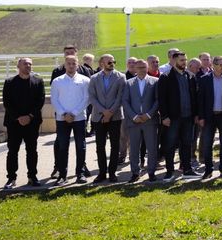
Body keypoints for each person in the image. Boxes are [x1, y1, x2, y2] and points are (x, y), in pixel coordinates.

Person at [1, 57, 45, 188]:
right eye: (25, 64)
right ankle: (11, 178)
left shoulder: (38, 81)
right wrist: (19, 117)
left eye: (30, 64)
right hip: (14, 122)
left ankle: (32, 177)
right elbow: (7, 102)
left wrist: (29, 116)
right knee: (12, 151)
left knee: (32, 151)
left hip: (32, 122)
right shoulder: (9, 82)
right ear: (18, 66)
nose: (28, 66)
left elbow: (40, 101)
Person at [156, 51, 200, 180]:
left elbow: (195, 97)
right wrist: (164, 116)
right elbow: (161, 99)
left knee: (187, 144)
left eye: (185, 60)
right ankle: (170, 171)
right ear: (174, 61)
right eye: (182, 60)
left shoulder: (190, 76)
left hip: (188, 117)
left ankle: (187, 170)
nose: (184, 63)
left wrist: (196, 114)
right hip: (172, 118)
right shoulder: (166, 77)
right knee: (170, 145)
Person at [50, 55, 91, 184]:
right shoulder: (57, 81)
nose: (71, 65)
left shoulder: (85, 80)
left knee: (81, 146)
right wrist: (64, 114)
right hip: (62, 119)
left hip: (79, 118)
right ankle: (62, 175)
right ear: (65, 65)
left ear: (78, 65)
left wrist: (74, 113)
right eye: (69, 63)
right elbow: (54, 99)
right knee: (62, 147)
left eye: (74, 63)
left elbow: (87, 99)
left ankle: (80, 173)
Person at [88, 54, 127, 182]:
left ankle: (112, 173)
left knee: (115, 146)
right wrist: (103, 112)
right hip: (98, 117)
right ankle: (102, 173)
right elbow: (92, 97)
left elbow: (120, 97)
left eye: (113, 61)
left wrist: (110, 113)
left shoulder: (121, 77)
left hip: (115, 117)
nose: (112, 64)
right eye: (109, 62)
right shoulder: (94, 78)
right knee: (100, 146)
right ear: (101, 64)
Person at [197, 56, 222, 179]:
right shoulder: (204, 79)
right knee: (207, 144)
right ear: (213, 65)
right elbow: (200, 100)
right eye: (221, 64)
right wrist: (201, 117)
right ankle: (208, 170)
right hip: (209, 117)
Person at [122, 59, 160, 182]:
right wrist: (134, 116)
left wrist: (148, 115)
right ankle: (135, 173)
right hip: (134, 121)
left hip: (150, 121)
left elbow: (157, 100)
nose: (142, 70)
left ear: (147, 68)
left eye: (144, 67)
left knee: (152, 148)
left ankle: (151, 172)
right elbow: (125, 101)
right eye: (139, 67)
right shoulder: (128, 83)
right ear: (135, 69)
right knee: (134, 149)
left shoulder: (155, 81)